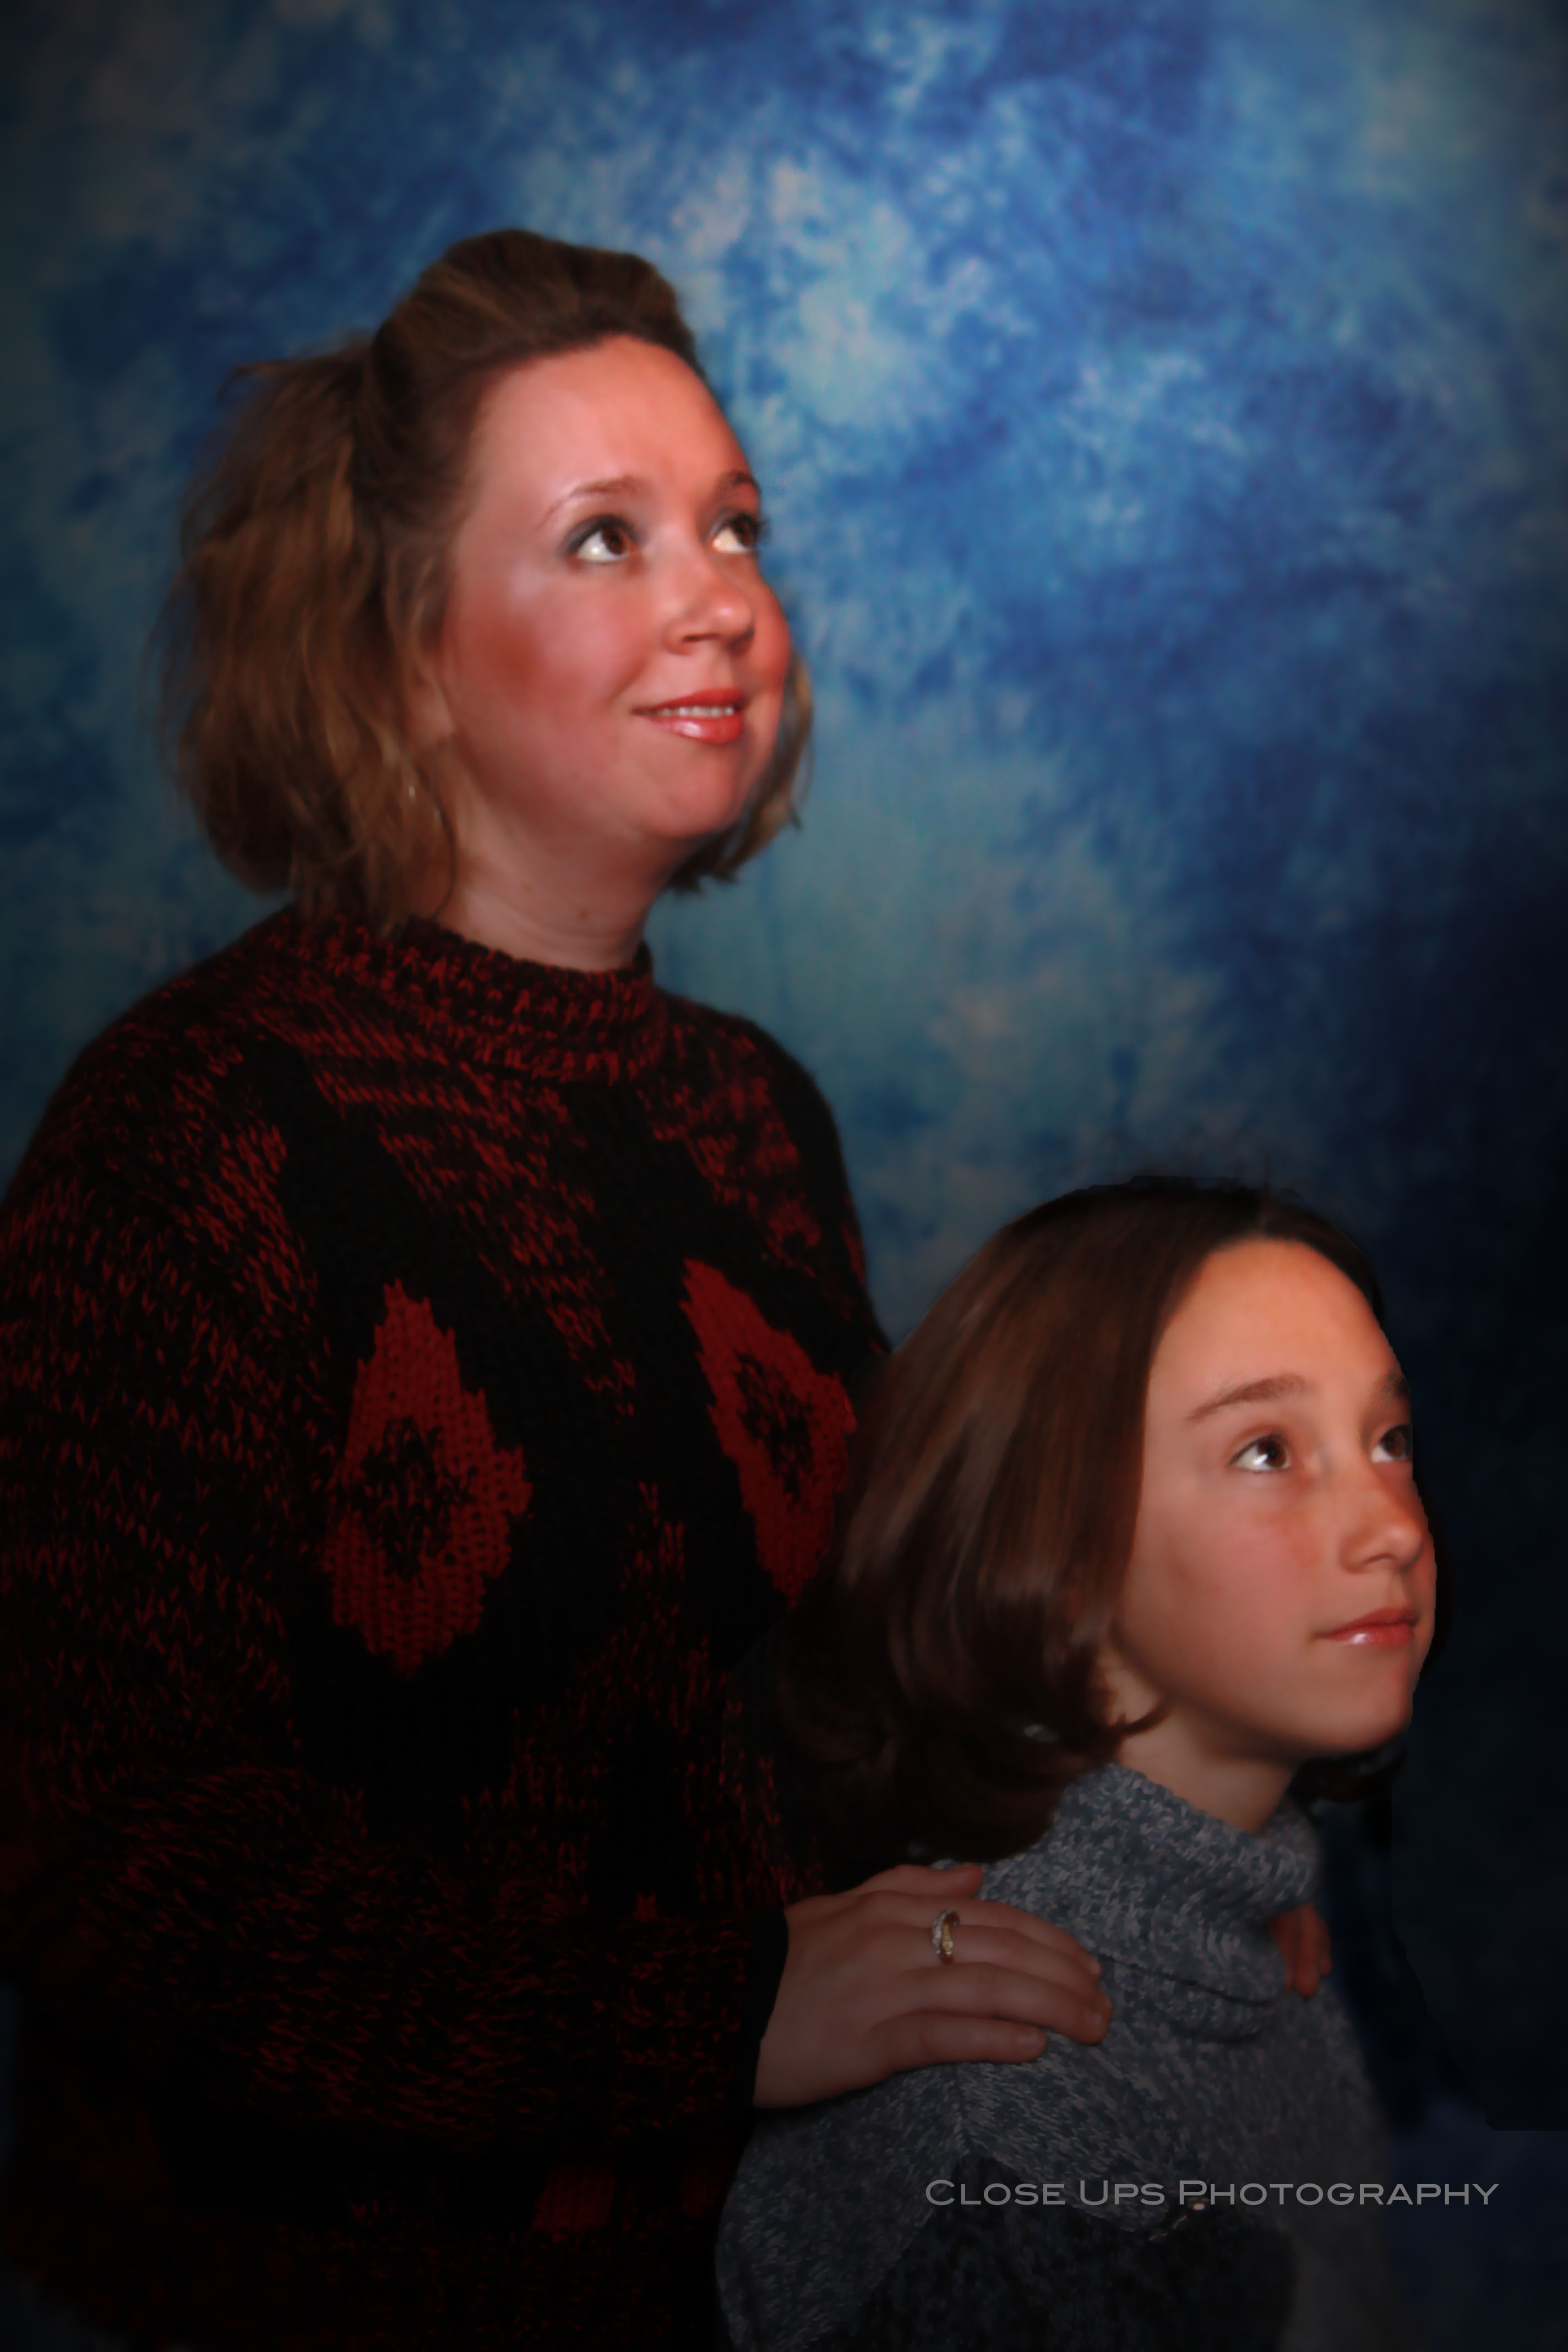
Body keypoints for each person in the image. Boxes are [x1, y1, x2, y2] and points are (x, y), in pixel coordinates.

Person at [0, 228, 1118, 2351]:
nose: (718, 600)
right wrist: (711, 2014)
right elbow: (97, 1863)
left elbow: (867, 1675)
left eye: (731, 526)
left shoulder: (749, 1111)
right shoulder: (190, 1134)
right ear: (402, 657)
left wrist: (1147, 1897)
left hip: (744, 2280)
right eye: (605, 537)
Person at [718, 1178, 1436, 2351]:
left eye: (1389, 1441)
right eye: (1266, 1450)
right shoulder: (1000, 2131)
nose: (1395, 1528)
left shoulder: (1257, 1937)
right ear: (1050, 1546)